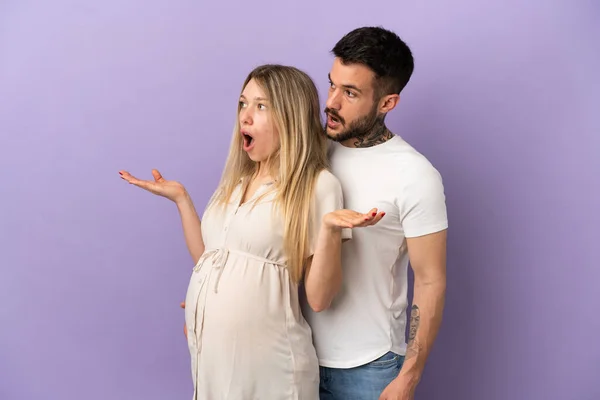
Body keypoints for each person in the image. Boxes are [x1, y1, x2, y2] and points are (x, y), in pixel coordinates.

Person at [119, 64, 383, 400]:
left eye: (261, 106)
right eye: (243, 104)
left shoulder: (317, 186)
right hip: (212, 358)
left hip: (270, 365)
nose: (245, 116)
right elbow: (209, 260)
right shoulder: (235, 183)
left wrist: (329, 229)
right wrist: (182, 201)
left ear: (290, 116)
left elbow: (319, 298)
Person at [301, 27, 448, 400]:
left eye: (350, 93)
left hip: (370, 368)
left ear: (388, 103)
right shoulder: (307, 151)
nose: (331, 102)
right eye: (332, 85)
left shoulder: (414, 175)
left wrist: (408, 378)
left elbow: (430, 281)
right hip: (292, 353)